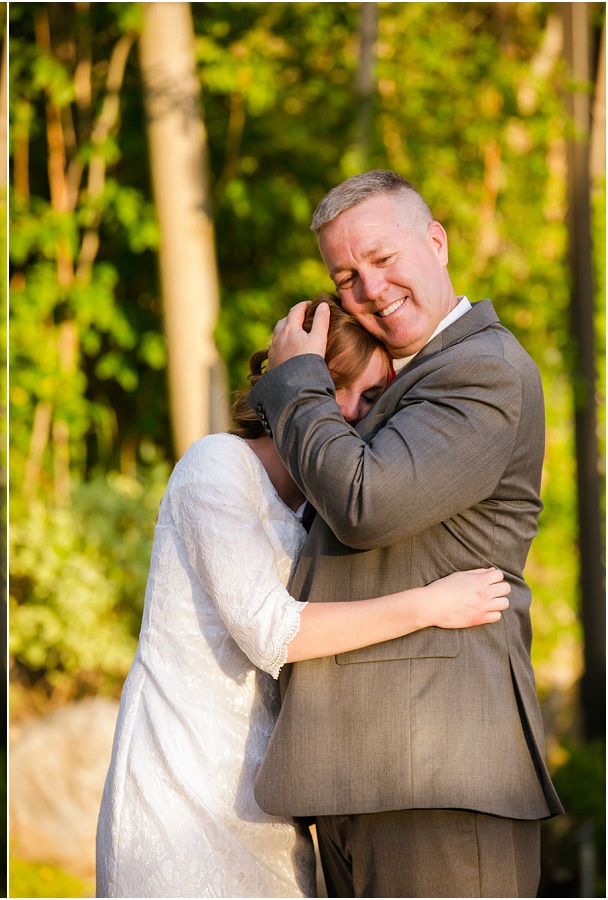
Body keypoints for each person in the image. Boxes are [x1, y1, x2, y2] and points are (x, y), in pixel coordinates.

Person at [95, 295, 511, 899]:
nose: (345, 413)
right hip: (181, 779)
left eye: (371, 400)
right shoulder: (215, 466)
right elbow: (271, 631)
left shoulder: (331, 511)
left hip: (275, 791)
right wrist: (431, 604)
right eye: (335, 386)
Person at [249, 170, 564, 897]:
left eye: (384, 258)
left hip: (439, 774)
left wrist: (298, 378)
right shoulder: (410, 377)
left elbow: (367, 505)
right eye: (346, 276)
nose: (370, 288)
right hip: (365, 775)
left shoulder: (482, 370)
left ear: (436, 241)